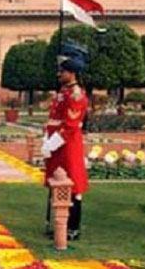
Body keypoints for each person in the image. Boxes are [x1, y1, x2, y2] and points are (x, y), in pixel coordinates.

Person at [41, 42, 90, 241]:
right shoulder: (64, 92)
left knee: (72, 186)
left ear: (72, 73)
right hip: (57, 145)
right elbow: (54, 119)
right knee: (57, 184)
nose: (59, 74)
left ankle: (72, 228)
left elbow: (70, 126)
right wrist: (47, 139)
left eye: (63, 71)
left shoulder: (76, 95)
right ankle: (59, 224)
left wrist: (51, 143)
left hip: (66, 145)